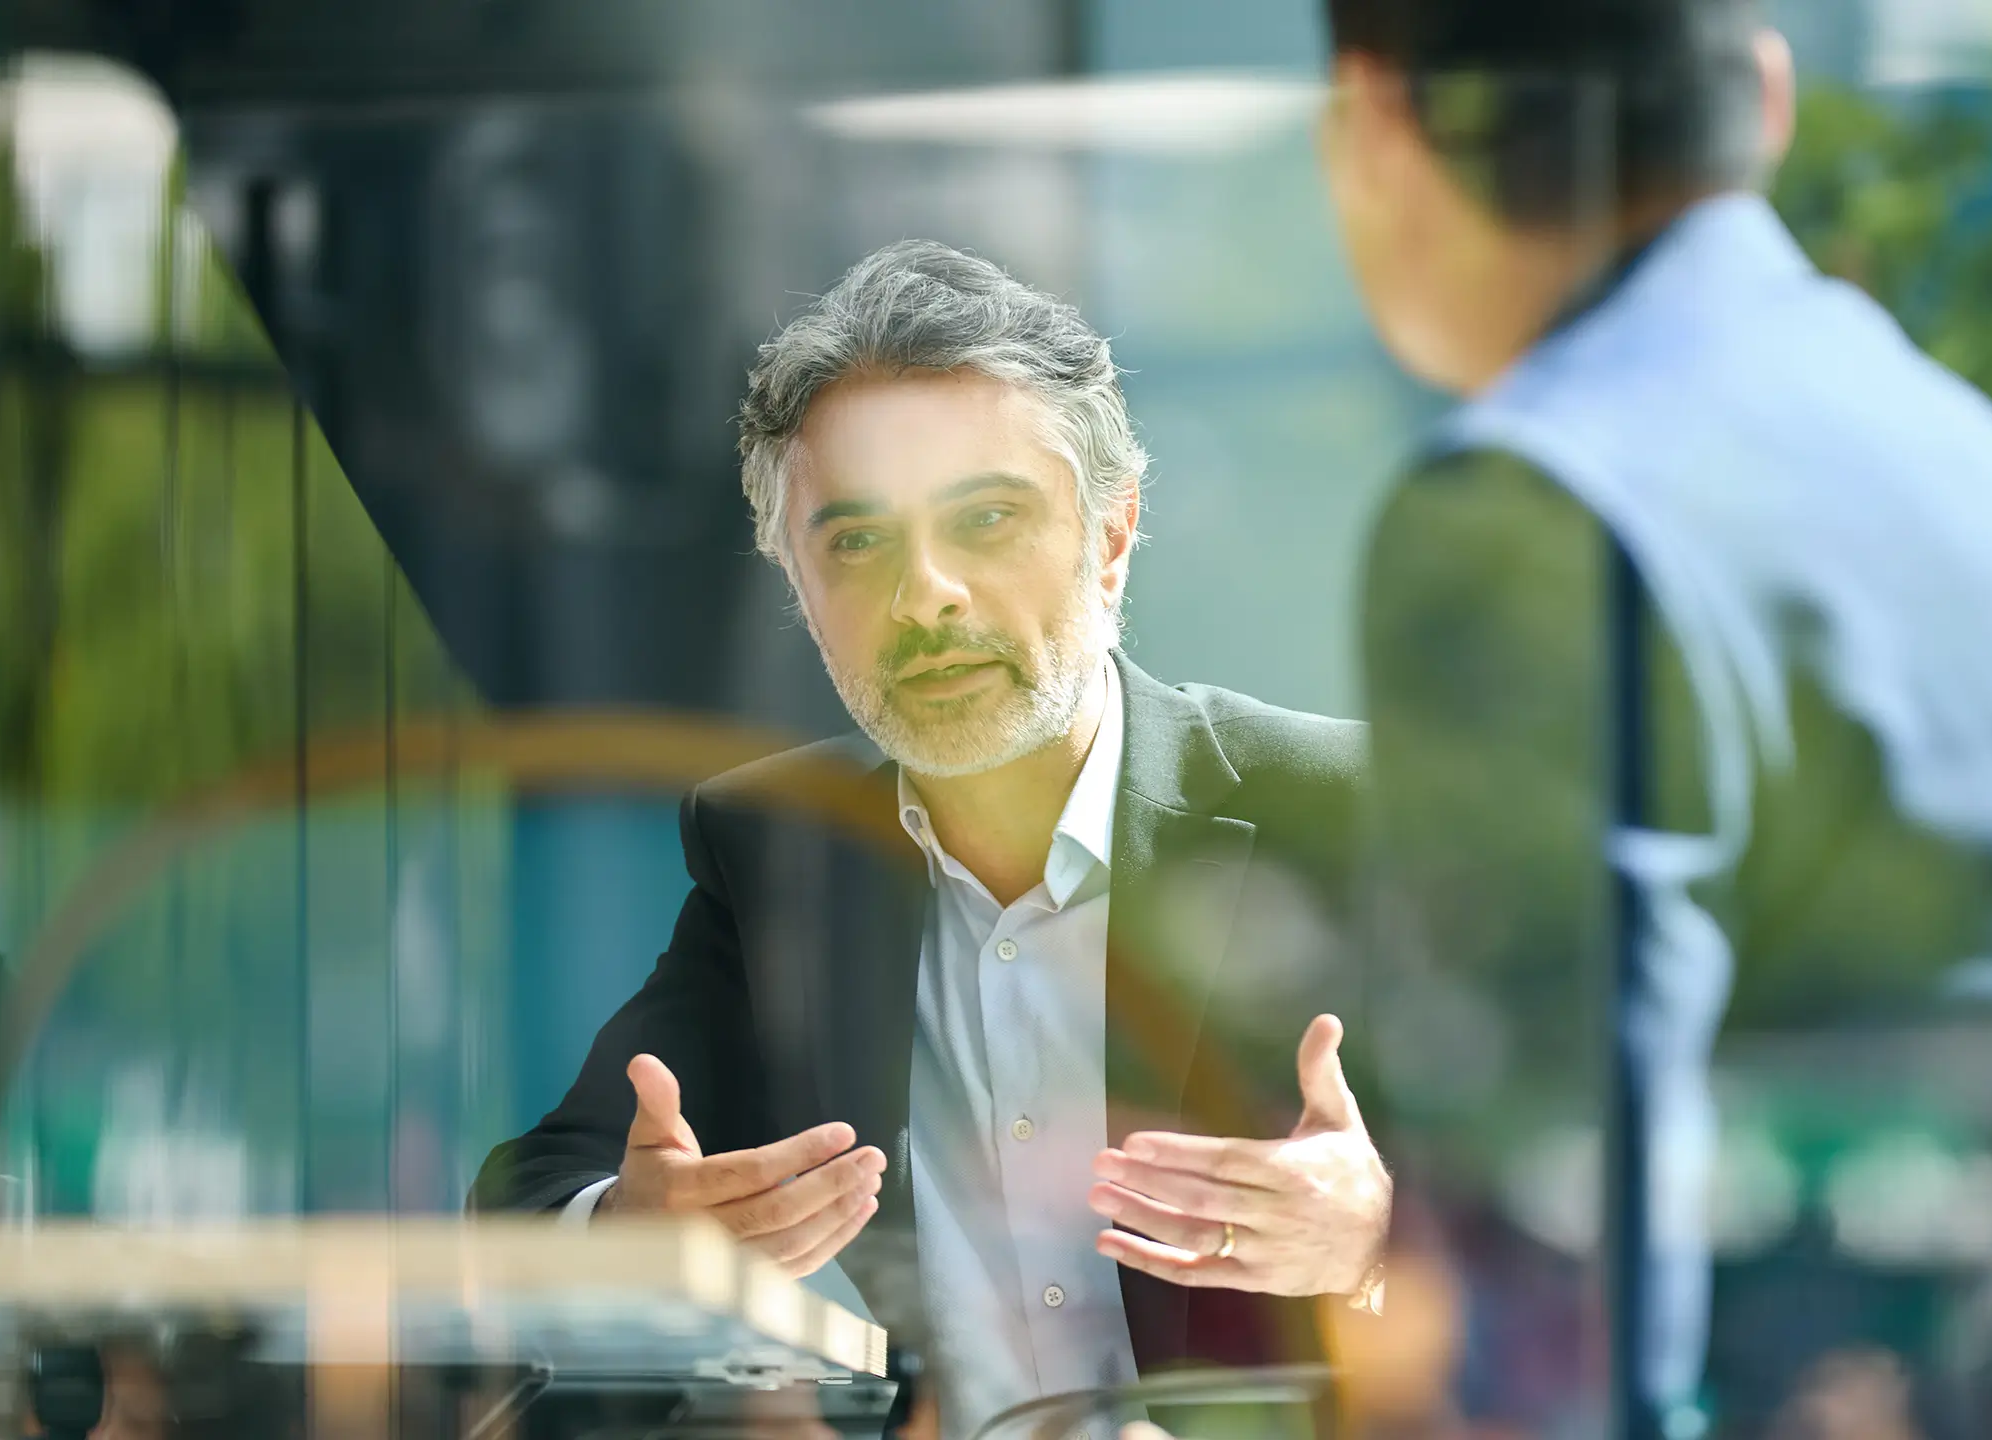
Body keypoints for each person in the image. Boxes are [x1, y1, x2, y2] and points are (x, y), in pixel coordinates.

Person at [1312, 0, 1992, 1431]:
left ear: (1375, 123)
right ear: (1767, 93)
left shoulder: (1536, 501)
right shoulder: (1971, 468)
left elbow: (1556, 1285)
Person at [475, 241, 1389, 1440]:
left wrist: (1375, 1237)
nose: (925, 596)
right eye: (855, 543)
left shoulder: (1341, 810)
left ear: (1112, 538)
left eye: (986, 519)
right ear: (798, 586)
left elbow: (1582, 1222)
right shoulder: (784, 853)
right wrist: (632, 1237)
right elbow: (538, 1192)